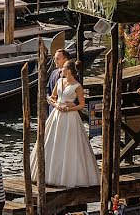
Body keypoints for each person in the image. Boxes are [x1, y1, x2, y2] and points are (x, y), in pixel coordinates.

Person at [32, 60, 101, 188]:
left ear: (69, 71)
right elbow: (51, 97)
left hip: (70, 117)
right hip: (57, 115)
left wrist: (69, 108)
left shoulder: (77, 86)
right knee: (52, 142)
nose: (61, 70)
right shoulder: (59, 81)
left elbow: (81, 105)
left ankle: (69, 176)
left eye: (63, 68)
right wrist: (56, 104)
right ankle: (48, 174)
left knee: (70, 144)